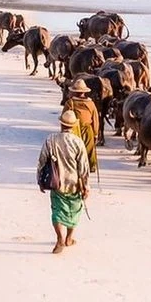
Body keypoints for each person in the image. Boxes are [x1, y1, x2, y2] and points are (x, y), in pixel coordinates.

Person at [36, 109, 90, 254]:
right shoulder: (78, 142)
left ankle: (60, 239)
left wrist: (40, 180)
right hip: (74, 183)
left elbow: (42, 161)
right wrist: (86, 186)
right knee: (74, 211)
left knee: (57, 211)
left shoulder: (51, 139)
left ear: (61, 124)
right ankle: (69, 238)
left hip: (57, 182)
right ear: (73, 125)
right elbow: (84, 167)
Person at [63, 78, 100, 173]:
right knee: (89, 149)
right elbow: (95, 119)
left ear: (74, 92)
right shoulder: (91, 104)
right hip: (88, 129)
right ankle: (91, 166)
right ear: (84, 92)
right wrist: (95, 133)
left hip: (74, 129)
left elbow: (64, 118)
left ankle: (74, 165)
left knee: (74, 148)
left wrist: (64, 131)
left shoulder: (70, 103)